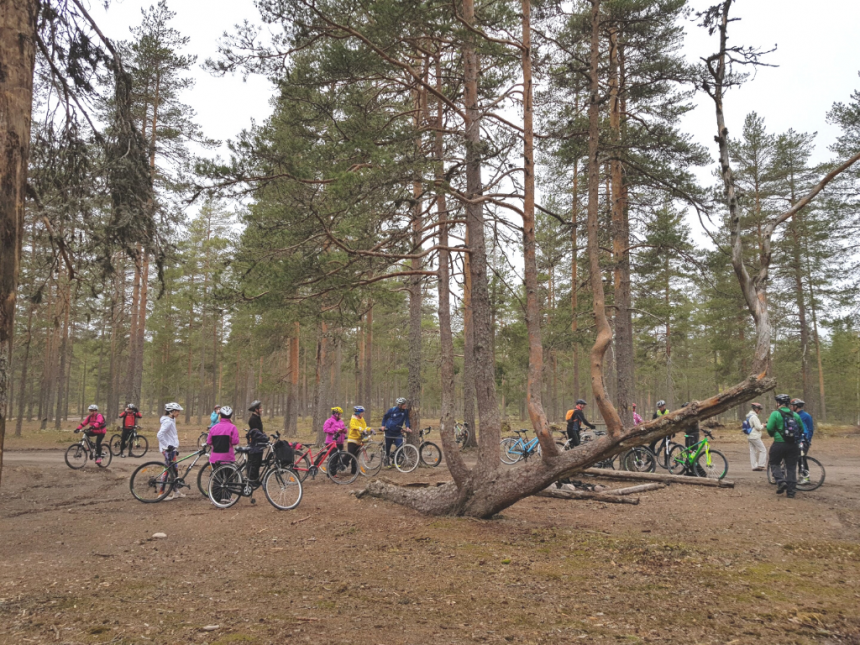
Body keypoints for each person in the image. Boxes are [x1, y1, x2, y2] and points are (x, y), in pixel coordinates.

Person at [766, 394, 804, 499]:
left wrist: (773, 435)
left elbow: (769, 427)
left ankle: (781, 481)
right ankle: (791, 492)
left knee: (774, 463)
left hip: (779, 443)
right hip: (793, 445)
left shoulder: (775, 414)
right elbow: (801, 428)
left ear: (778, 403)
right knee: (791, 467)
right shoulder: (795, 415)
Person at [157, 402, 184, 500]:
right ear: (171, 411)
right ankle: (161, 494)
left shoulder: (172, 420)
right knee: (167, 471)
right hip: (168, 450)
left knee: (175, 470)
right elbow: (159, 435)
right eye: (177, 411)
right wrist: (167, 446)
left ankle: (176, 491)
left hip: (172, 449)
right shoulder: (168, 421)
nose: (178, 413)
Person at [380, 398, 412, 465]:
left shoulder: (405, 411)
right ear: (399, 405)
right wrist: (383, 426)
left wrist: (407, 427)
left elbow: (407, 420)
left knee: (400, 446)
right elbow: (385, 417)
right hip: (389, 431)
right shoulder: (392, 410)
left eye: (405, 404)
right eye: (403, 404)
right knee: (387, 447)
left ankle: (395, 461)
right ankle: (387, 462)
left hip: (398, 433)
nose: (405, 405)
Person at [791, 399, 815, 482]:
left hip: (804, 441)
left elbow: (810, 429)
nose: (790, 407)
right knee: (798, 458)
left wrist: (808, 440)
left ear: (796, 406)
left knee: (802, 458)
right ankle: (801, 476)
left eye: (792, 406)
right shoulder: (793, 415)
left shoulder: (806, 416)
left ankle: (806, 477)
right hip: (796, 440)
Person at [246, 401, 267, 483]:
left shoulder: (257, 417)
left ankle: (256, 478)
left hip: (259, 444)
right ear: (256, 409)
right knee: (254, 463)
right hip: (255, 444)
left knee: (258, 462)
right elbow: (256, 432)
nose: (262, 409)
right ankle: (252, 480)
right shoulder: (253, 419)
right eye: (260, 408)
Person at [347, 406, 371, 475]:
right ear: (358, 413)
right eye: (362, 412)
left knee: (356, 456)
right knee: (350, 455)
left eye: (363, 412)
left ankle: (354, 471)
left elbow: (364, 427)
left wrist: (370, 429)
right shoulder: (353, 419)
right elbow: (353, 427)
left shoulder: (362, 419)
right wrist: (361, 429)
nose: (363, 413)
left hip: (359, 440)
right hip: (352, 439)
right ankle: (342, 465)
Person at [744, 402, 767, 471]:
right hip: (755, 436)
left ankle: (754, 466)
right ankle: (761, 465)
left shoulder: (749, 416)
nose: (760, 411)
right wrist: (763, 425)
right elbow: (758, 427)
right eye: (759, 409)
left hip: (750, 436)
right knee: (763, 450)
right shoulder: (754, 417)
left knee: (753, 451)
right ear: (756, 409)